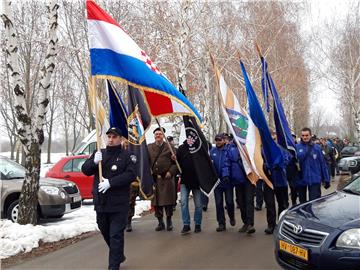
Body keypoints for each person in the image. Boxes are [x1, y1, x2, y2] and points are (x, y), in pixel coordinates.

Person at [81, 127, 137, 270]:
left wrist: (111, 183)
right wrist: (93, 162)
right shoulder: (100, 154)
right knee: (104, 230)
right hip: (102, 203)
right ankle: (118, 254)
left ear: (120, 139)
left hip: (119, 204)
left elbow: (131, 175)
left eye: (114, 137)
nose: (111, 139)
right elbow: (85, 170)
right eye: (109, 137)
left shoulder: (127, 156)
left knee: (115, 235)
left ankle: (113, 266)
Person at [148, 127, 178, 231]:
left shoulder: (170, 147)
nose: (158, 136)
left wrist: (171, 172)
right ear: (154, 135)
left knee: (168, 202)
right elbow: (146, 162)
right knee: (156, 203)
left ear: (163, 136)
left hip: (167, 178)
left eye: (160, 134)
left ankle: (169, 221)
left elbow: (176, 163)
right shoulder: (149, 147)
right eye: (156, 134)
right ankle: (160, 222)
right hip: (155, 179)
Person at [224, 139, 255, 234]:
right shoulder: (230, 147)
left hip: (249, 178)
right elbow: (226, 162)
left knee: (249, 201)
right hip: (237, 179)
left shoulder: (249, 144)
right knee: (241, 202)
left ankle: (250, 224)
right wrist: (226, 174)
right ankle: (245, 222)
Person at [296, 127, 330, 203]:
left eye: (307, 135)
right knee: (302, 204)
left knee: (315, 203)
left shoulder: (317, 148)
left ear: (310, 135)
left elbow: (322, 164)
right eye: (303, 135)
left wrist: (326, 179)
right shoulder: (297, 148)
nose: (305, 137)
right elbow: (293, 164)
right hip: (301, 179)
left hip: (315, 179)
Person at [176, 140, 203, 234]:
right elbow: (177, 161)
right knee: (183, 203)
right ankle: (186, 224)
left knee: (199, 205)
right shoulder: (181, 148)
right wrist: (173, 158)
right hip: (185, 180)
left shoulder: (199, 147)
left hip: (197, 181)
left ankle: (198, 224)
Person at [210, 133, 235, 232]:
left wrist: (227, 175)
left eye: (220, 140)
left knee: (229, 202)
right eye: (216, 140)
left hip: (227, 181)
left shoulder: (228, 151)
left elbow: (229, 163)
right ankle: (221, 223)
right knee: (219, 203)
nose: (218, 142)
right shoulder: (212, 151)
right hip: (217, 183)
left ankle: (231, 217)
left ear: (224, 140)